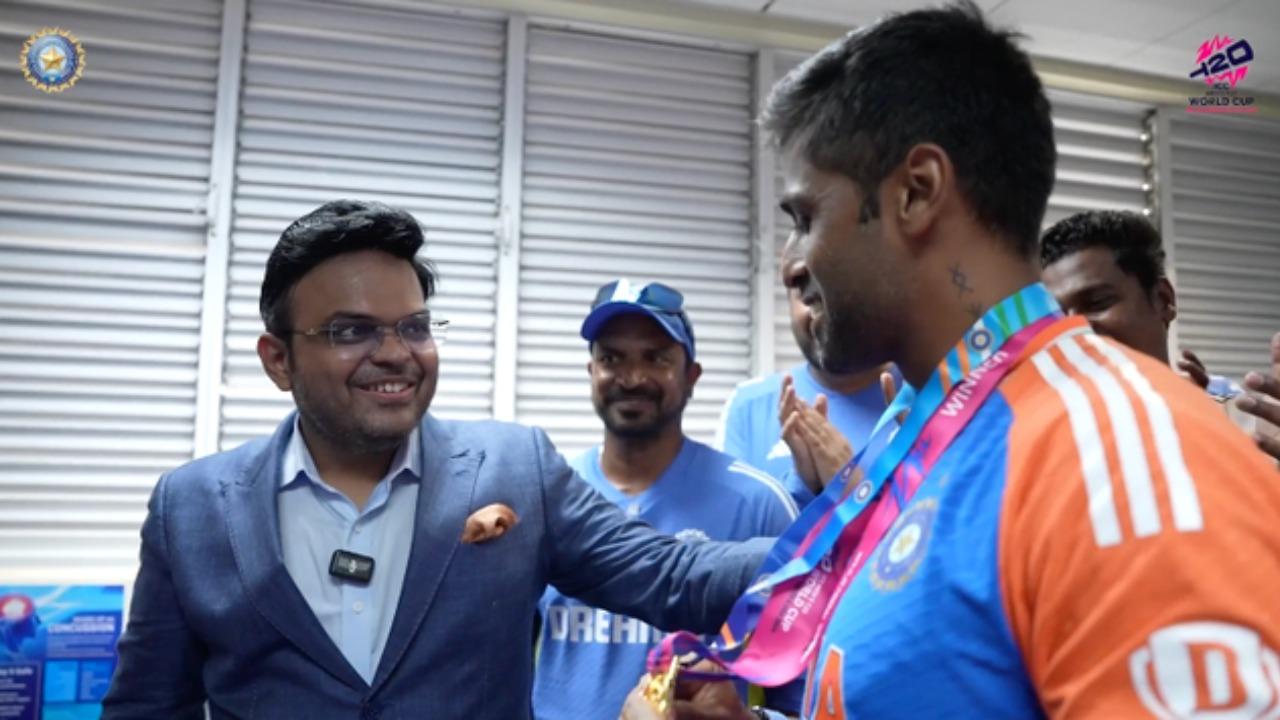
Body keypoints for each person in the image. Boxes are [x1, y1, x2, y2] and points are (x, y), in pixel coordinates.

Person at [619, 4, 1280, 718]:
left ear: (917, 193)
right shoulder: (923, 439)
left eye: (806, 219)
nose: (790, 266)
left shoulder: (1119, 452)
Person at [101, 200, 769, 720]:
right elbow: (149, 707)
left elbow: (674, 574)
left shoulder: (516, 470)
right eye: (351, 331)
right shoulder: (190, 508)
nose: (396, 353)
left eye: (414, 327)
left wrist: (855, 533)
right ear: (279, 359)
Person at [533, 279, 803, 720]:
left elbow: (800, 694)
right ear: (591, 372)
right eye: (612, 358)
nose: (633, 378)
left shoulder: (758, 504)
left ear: (691, 375)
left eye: (656, 358)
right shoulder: (550, 494)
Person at [1041, 210, 1280, 461]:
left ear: (1163, 300)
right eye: (1055, 316)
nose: (1071, 329)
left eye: (1098, 302)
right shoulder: (1042, 441)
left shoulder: (1242, 419)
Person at [716, 240, 892, 506]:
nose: (823, 309)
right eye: (807, 294)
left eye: (837, 288)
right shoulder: (749, 405)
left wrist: (852, 485)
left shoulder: (926, 398)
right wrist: (803, 485)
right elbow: (734, 531)